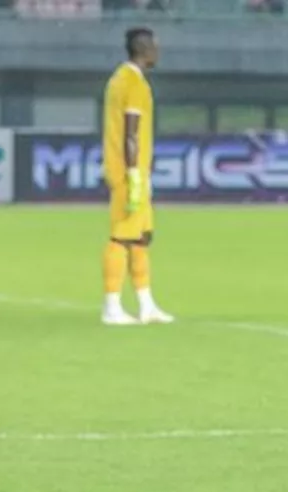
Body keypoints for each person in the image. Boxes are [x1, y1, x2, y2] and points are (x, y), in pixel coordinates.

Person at [101, 27, 174, 326]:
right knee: (122, 236)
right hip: (128, 172)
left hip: (136, 171)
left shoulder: (119, 78)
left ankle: (146, 304)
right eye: (155, 46)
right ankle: (111, 305)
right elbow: (131, 131)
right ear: (144, 48)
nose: (158, 51)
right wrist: (133, 174)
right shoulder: (133, 83)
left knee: (142, 237)